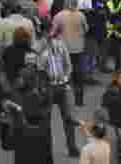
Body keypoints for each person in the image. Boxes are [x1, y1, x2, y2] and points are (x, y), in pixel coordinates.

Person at [36, 23, 81, 157]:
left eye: (51, 31)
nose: (49, 34)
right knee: (45, 120)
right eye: (46, 32)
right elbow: (38, 68)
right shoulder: (38, 47)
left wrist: (66, 78)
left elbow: (68, 64)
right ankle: (45, 149)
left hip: (63, 86)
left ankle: (72, 148)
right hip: (48, 87)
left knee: (69, 118)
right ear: (42, 33)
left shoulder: (60, 45)